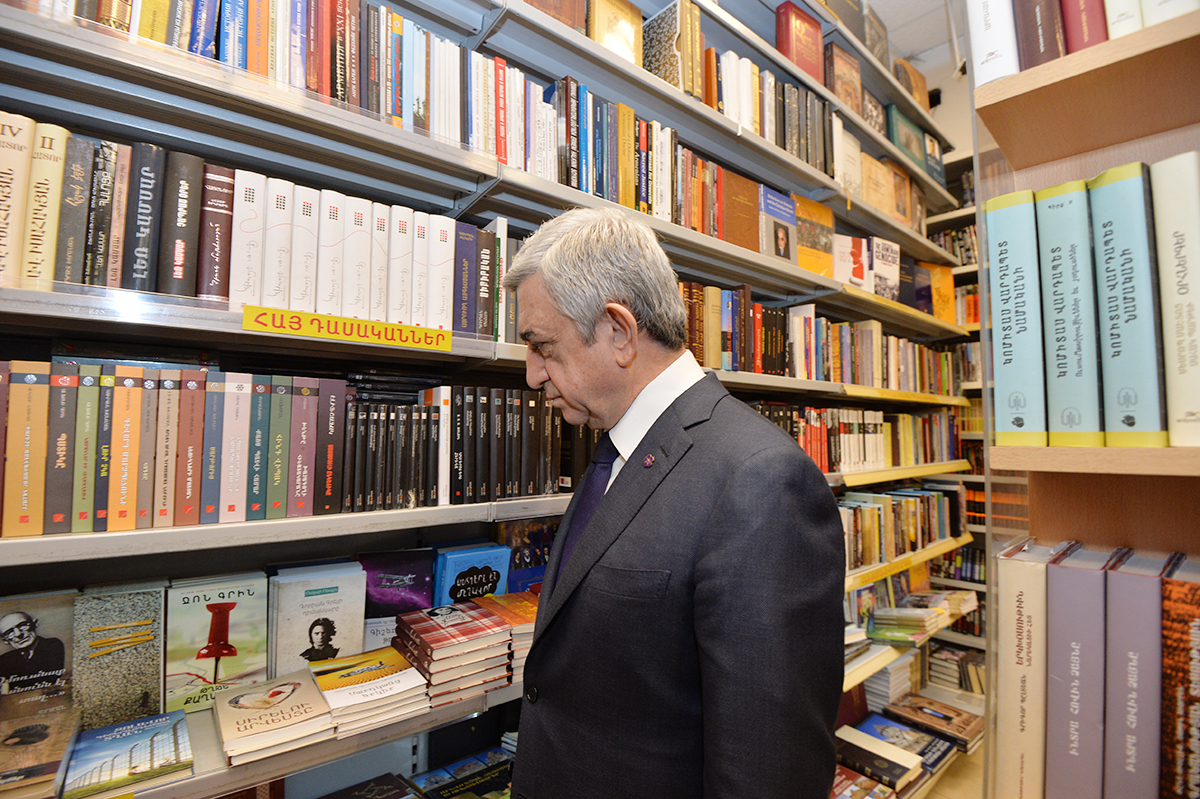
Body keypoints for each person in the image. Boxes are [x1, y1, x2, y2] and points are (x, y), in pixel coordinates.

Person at [502, 207, 845, 799]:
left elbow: (769, 769)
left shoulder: (761, 481)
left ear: (618, 332)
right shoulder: (616, 447)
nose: (532, 374)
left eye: (543, 346)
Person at [0, 612, 66, 695]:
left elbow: (49, 680)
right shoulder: (4, 660)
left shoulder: (52, 645)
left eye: (22, 625)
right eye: (9, 632)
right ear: (5, 641)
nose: (18, 634)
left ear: (35, 624)